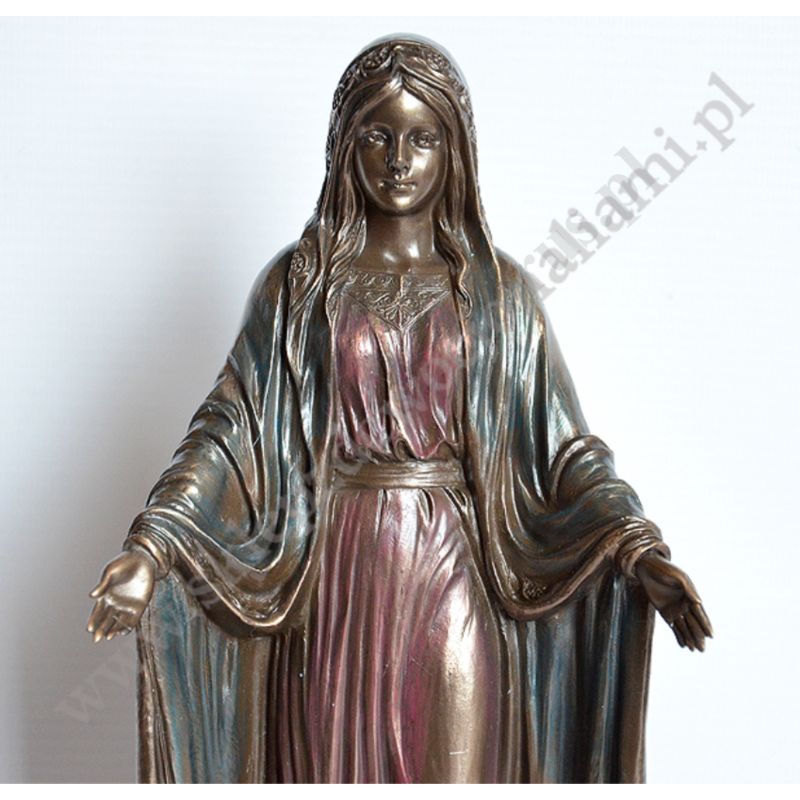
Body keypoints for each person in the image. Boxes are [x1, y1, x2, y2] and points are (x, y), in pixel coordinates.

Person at [87, 34, 712, 783]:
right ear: (344, 147)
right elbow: (229, 435)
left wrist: (638, 550)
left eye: (423, 138)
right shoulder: (298, 289)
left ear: (455, 151)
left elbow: (565, 450)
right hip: (332, 579)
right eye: (377, 135)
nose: (398, 160)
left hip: (455, 578)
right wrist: (152, 547)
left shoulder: (500, 295)